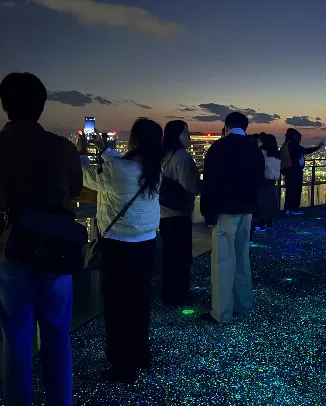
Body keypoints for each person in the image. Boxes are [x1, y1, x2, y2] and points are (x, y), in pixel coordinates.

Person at [0, 73, 83, 405]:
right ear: (41, 106)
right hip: (56, 247)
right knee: (57, 332)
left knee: (16, 334)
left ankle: (18, 400)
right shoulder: (61, 147)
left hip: (11, 248)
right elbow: (75, 189)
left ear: (5, 105)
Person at [77, 118, 162, 383]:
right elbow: (120, 167)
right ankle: (140, 354)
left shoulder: (119, 169)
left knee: (117, 307)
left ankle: (122, 367)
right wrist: (105, 149)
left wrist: (82, 151)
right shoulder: (153, 169)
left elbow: (88, 178)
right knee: (139, 302)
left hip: (119, 246)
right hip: (147, 243)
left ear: (134, 141)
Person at [200, 112, 265, 324]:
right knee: (242, 258)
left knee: (223, 262)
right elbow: (259, 181)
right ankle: (243, 305)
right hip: (247, 210)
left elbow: (209, 183)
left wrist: (208, 213)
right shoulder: (254, 149)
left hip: (224, 211)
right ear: (245, 127)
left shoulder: (219, 147)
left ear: (226, 126)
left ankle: (221, 312)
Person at [160, 120, 200, 306]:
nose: (189, 135)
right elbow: (190, 187)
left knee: (169, 256)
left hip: (163, 214)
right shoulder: (182, 157)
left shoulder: (163, 155)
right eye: (186, 131)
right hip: (180, 214)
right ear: (177, 134)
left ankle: (168, 293)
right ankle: (179, 295)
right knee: (181, 257)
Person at [280, 128, 324, 215]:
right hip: (294, 172)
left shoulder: (286, 144)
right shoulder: (293, 145)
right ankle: (294, 209)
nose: (300, 139)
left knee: (289, 190)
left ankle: (288, 209)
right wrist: (318, 147)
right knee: (296, 190)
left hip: (288, 171)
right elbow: (305, 151)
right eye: (299, 137)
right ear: (294, 136)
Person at [251, 133, 281, 239]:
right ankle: (269, 224)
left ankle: (261, 225)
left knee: (261, 203)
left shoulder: (261, 153)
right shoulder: (276, 154)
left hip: (263, 181)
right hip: (273, 182)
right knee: (270, 203)